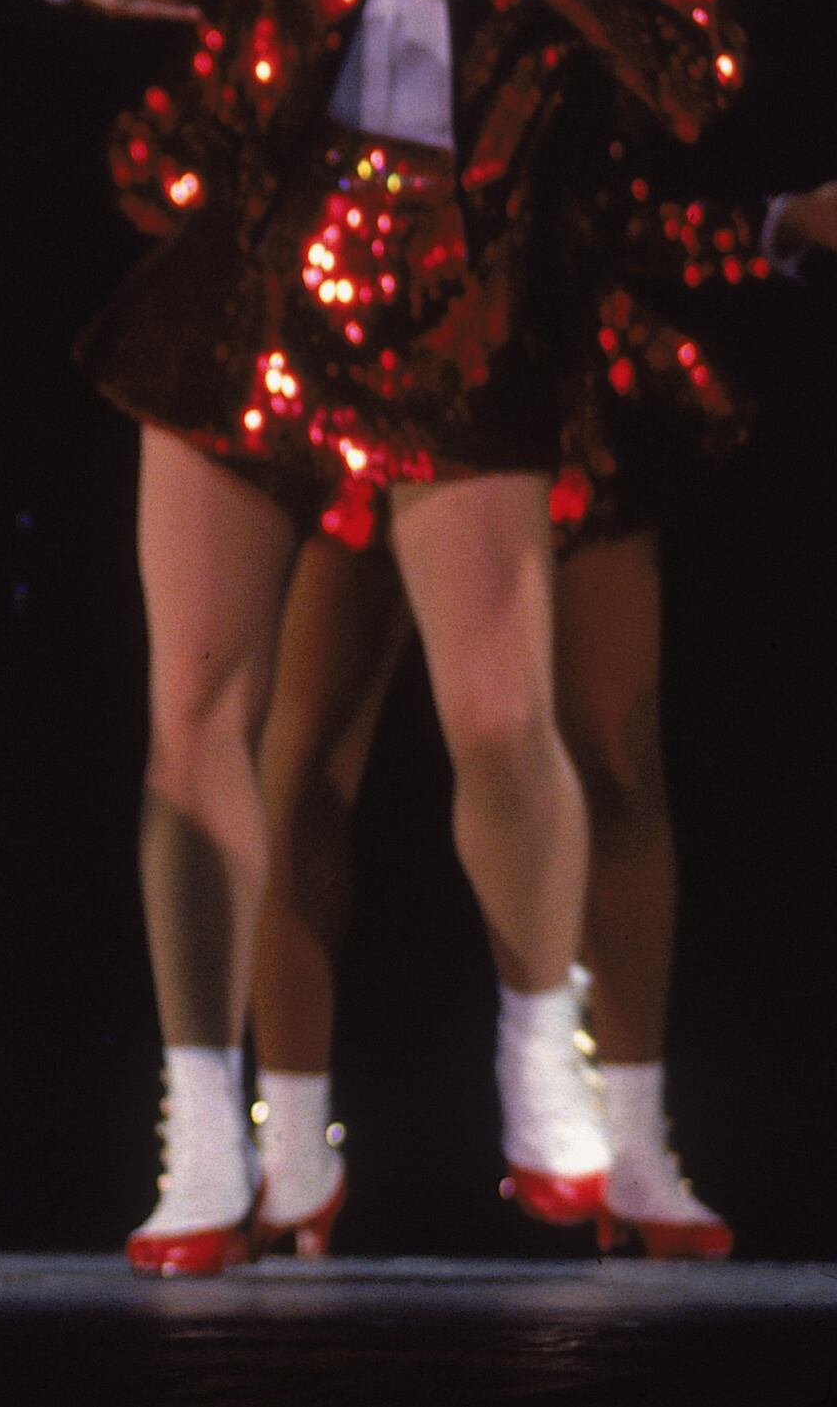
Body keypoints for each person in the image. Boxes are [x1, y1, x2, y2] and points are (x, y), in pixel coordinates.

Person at [21, 0, 740, 1274]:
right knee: (205, 711)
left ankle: (545, 1064)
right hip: (255, 280)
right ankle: (208, 1136)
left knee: (509, 717)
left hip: (478, 297)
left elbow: (693, 65)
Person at [248, 172, 823, 1259]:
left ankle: (636, 1142)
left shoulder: (564, 15)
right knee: (303, 766)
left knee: (615, 752)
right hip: (379, 364)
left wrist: (775, 224)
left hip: (555, 376)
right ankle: (286, 1155)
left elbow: (617, 183)